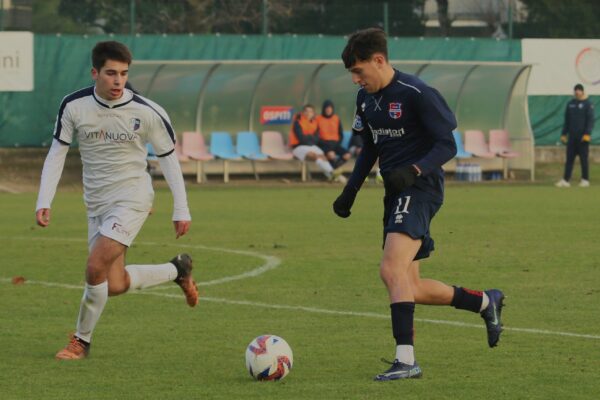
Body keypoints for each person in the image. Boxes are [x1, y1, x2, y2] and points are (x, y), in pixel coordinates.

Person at [332, 28, 504, 381]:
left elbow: (447, 146)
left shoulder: (418, 94)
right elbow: (370, 150)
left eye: (359, 71)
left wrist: (413, 170)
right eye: (351, 73)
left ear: (379, 61)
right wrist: (349, 192)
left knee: (390, 270)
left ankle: (407, 360)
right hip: (395, 193)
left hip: (421, 188)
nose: (355, 80)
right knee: (410, 285)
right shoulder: (365, 101)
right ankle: (486, 301)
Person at [35, 41, 199, 360]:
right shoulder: (74, 106)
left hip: (133, 198)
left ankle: (80, 342)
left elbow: (168, 159)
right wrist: (45, 199)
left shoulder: (147, 112)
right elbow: (57, 152)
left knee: (95, 266)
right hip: (96, 204)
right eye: (111, 73)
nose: (118, 81)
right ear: (95, 72)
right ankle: (177, 270)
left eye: (124, 74)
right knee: (114, 283)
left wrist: (181, 208)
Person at [289, 104, 346, 183]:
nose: (308, 113)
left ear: (313, 113)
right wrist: (311, 138)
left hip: (312, 146)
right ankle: (332, 173)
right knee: (314, 155)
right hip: (298, 147)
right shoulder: (297, 122)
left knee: (323, 156)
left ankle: (332, 176)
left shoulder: (315, 123)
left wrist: (309, 138)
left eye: (310, 111)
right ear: (303, 112)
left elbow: (316, 139)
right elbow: (301, 139)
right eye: (306, 111)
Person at [556, 83, 594, 188]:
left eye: (579, 90)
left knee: (583, 160)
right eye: (576, 90)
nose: (577, 92)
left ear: (582, 91)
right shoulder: (570, 104)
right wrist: (564, 134)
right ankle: (566, 180)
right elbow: (567, 121)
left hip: (583, 138)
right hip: (572, 138)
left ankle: (585, 180)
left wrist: (587, 134)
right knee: (569, 160)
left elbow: (590, 121)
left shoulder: (588, 104)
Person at [316, 100, 351, 168]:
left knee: (347, 155)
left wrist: (337, 143)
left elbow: (341, 134)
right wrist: (322, 143)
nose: (328, 110)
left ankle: (333, 169)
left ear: (332, 109)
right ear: (324, 109)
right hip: (324, 144)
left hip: (335, 144)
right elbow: (315, 135)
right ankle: (333, 171)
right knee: (331, 155)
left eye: (330, 108)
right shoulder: (318, 119)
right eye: (327, 108)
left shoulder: (336, 118)